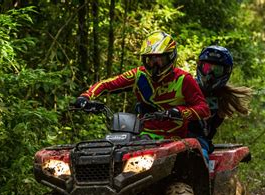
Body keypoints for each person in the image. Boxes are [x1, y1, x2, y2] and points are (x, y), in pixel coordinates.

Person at [74, 31, 210, 139]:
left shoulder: (183, 79)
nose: (154, 64)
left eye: (159, 59)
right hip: (141, 135)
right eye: (149, 59)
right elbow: (106, 84)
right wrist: (85, 97)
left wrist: (179, 112)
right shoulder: (138, 75)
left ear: (170, 57)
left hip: (174, 138)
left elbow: (204, 109)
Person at [188, 45, 252, 160]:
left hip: (199, 143)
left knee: (201, 157)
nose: (210, 74)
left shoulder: (223, 97)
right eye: (207, 68)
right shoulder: (187, 87)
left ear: (225, 72)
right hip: (175, 137)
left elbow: (210, 128)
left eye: (216, 70)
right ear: (200, 66)